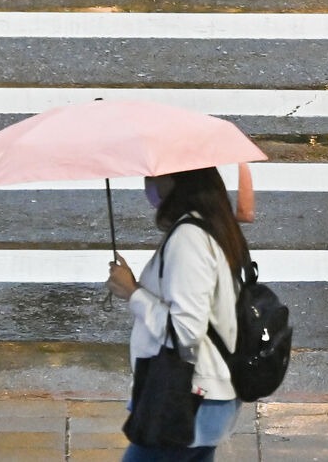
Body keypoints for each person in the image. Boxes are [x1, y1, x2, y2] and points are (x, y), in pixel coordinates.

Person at [106, 167, 250, 461]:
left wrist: (133, 293)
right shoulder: (210, 227)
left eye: (156, 175)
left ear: (177, 181)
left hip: (183, 399)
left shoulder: (189, 239)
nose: (149, 182)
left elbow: (185, 332)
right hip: (201, 399)